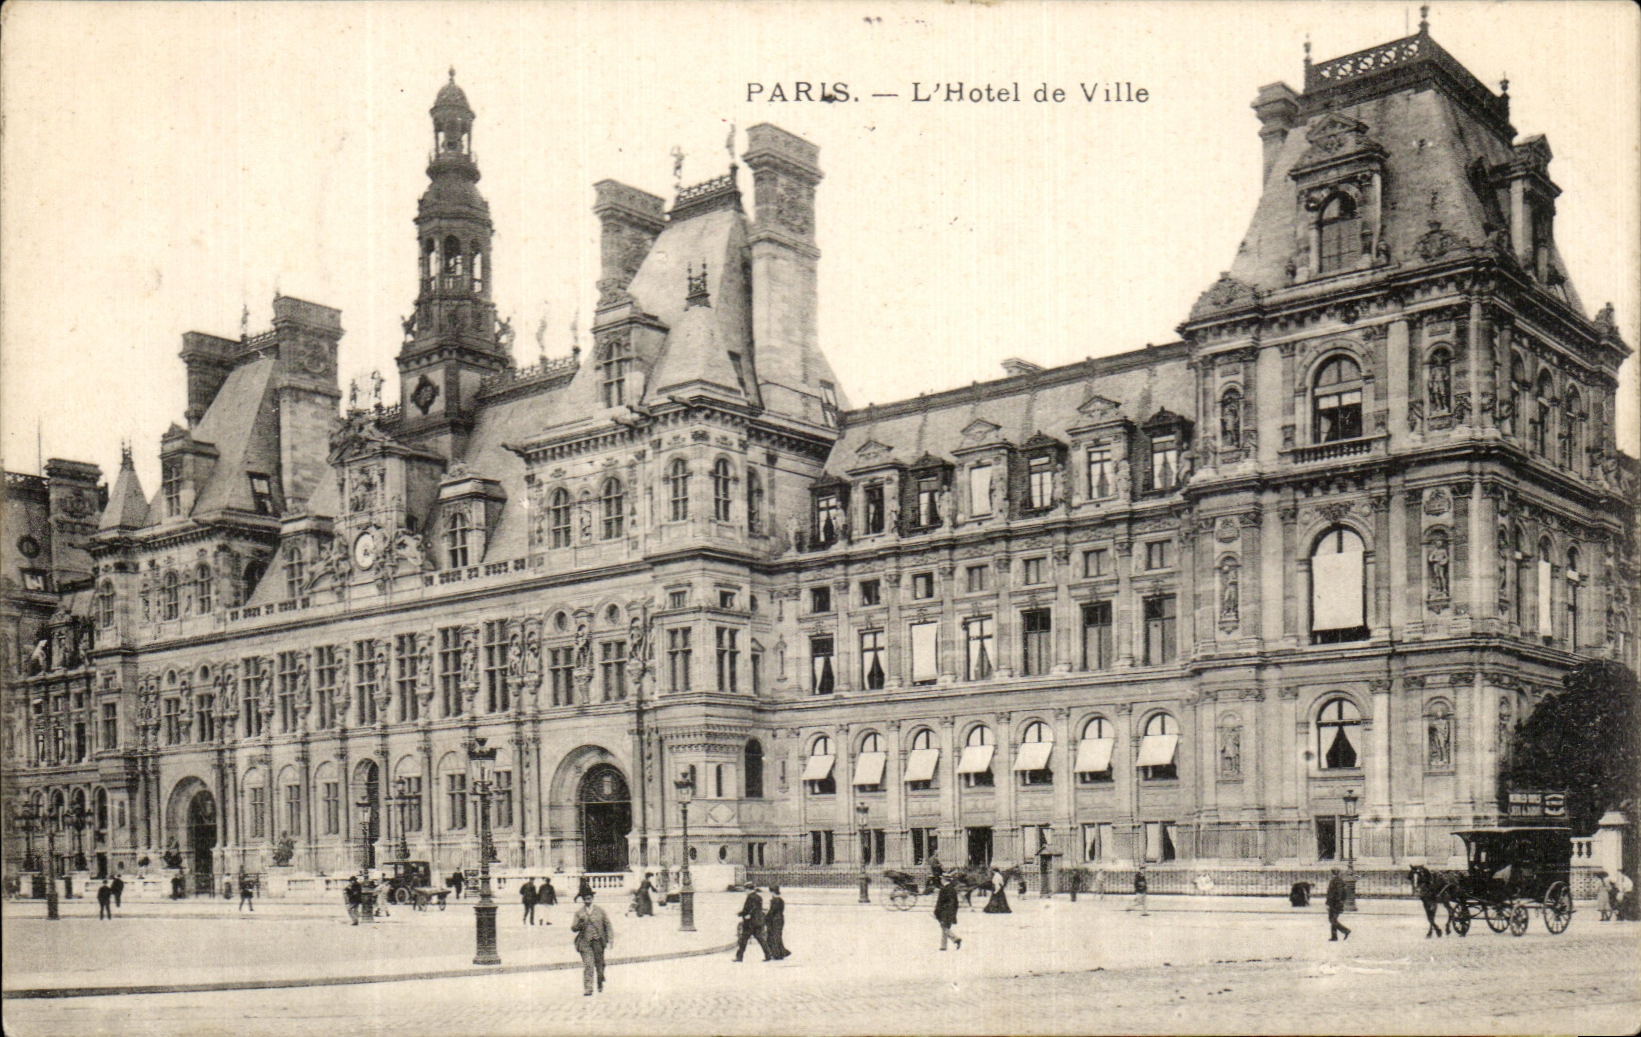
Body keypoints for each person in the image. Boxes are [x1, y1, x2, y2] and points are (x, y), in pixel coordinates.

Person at [571, 890, 614, 996]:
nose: (587, 900)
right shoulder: (579, 913)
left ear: (592, 898)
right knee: (588, 965)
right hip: (585, 943)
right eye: (585, 899)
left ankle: (600, 980)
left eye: (589, 898)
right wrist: (580, 924)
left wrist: (610, 940)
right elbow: (573, 928)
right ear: (583, 900)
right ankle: (588, 988)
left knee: (600, 965)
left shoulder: (600, 911)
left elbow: (608, 925)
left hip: (598, 942)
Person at [734, 885, 773, 962]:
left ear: (749, 889)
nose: (745, 891)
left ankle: (739, 957)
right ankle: (768, 954)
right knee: (760, 939)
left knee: (743, 940)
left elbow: (750, 909)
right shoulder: (759, 897)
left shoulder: (750, 897)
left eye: (746, 890)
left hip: (750, 923)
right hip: (758, 921)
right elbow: (757, 908)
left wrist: (742, 914)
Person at [934, 875, 962, 951]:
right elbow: (956, 902)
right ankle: (943, 946)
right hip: (951, 911)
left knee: (944, 927)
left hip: (944, 911)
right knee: (945, 927)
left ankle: (956, 939)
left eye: (942, 879)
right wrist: (954, 912)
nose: (941, 880)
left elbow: (940, 902)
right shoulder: (953, 889)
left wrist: (937, 911)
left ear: (945, 880)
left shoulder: (943, 889)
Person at [1325, 869, 1352, 941]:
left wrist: (1329, 903)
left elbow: (1332, 894)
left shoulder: (1334, 881)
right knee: (1333, 919)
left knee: (1332, 920)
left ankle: (1346, 930)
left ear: (1332, 874)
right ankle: (1334, 936)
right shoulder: (1340, 881)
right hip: (1337, 903)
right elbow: (1344, 893)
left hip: (1334, 904)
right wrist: (1342, 901)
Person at [765, 885, 790, 960]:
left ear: (772, 892)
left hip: (775, 920)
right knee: (777, 936)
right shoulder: (781, 900)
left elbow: (772, 911)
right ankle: (782, 952)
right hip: (780, 919)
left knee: (774, 937)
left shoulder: (775, 901)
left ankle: (777, 954)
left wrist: (766, 917)